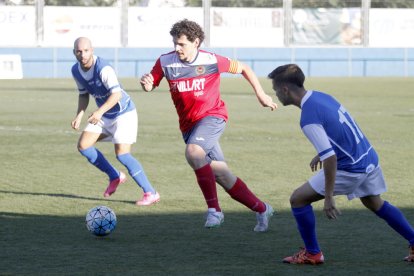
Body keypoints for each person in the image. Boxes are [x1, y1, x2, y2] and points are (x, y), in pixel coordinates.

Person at [268, 63, 414, 264]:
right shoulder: (321, 96)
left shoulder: (308, 118)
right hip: (368, 156)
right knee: (374, 202)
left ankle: (313, 253)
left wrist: (328, 197)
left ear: (285, 89)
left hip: (351, 168)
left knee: (298, 199)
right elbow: (342, 128)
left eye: (275, 90)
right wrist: (322, 152)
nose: (276, 94)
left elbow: (330, 158)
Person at [140, 19, 277, 231]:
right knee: (222, 175)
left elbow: (243, 68)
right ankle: (262, 208)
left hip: (213, 117)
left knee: (194, 153)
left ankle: (214, 210)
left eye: (182, 44)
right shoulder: (165, 61)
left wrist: (261, 94)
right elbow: (152, 83)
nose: (177, 48)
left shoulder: (212, 60)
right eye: (175, 43)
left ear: (196, 42)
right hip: (189, 127)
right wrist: (147, 84)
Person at [71, 37, 160, 206]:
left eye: (86, 50)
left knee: (122, 154)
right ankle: (115, 176)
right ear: (74, 52)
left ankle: (151, 192)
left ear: (92, 49)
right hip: (104, 114)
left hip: (123, 113)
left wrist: (98, 112)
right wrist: (79, 115)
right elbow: (83, 94)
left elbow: (116, 95)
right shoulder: (75, 70)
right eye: (79, 51)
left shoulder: (103, 68)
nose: (82, 55)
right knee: (83, 145)